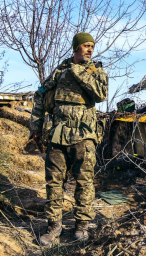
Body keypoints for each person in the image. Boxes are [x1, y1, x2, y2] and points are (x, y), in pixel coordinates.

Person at [29, 32, 108, 245]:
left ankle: (81, 225)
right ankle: (54, 226)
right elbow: (40, 94)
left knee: (84, 181)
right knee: (54, 182)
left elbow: (100, 94)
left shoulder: (96, 70)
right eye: (85, 46)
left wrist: (77, 70)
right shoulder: (59, 71)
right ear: (76, 48)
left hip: (84, 135)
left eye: (92, 46)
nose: (90, 49)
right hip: (58, 134)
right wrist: (36, 125)